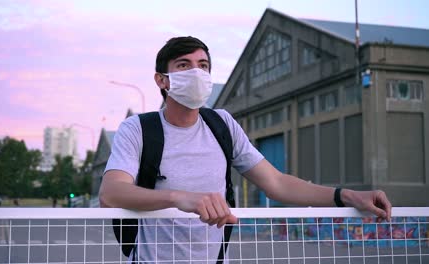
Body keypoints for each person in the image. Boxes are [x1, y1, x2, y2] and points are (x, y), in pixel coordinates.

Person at [99, 36, 392, 262]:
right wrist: (179, 198)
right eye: (184, 65)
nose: (197, 73)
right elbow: (111, 193)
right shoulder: (137, 128)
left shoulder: (222, 124)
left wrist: (346, 196)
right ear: (162, 80)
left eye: (203, 66)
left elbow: (276, 183)